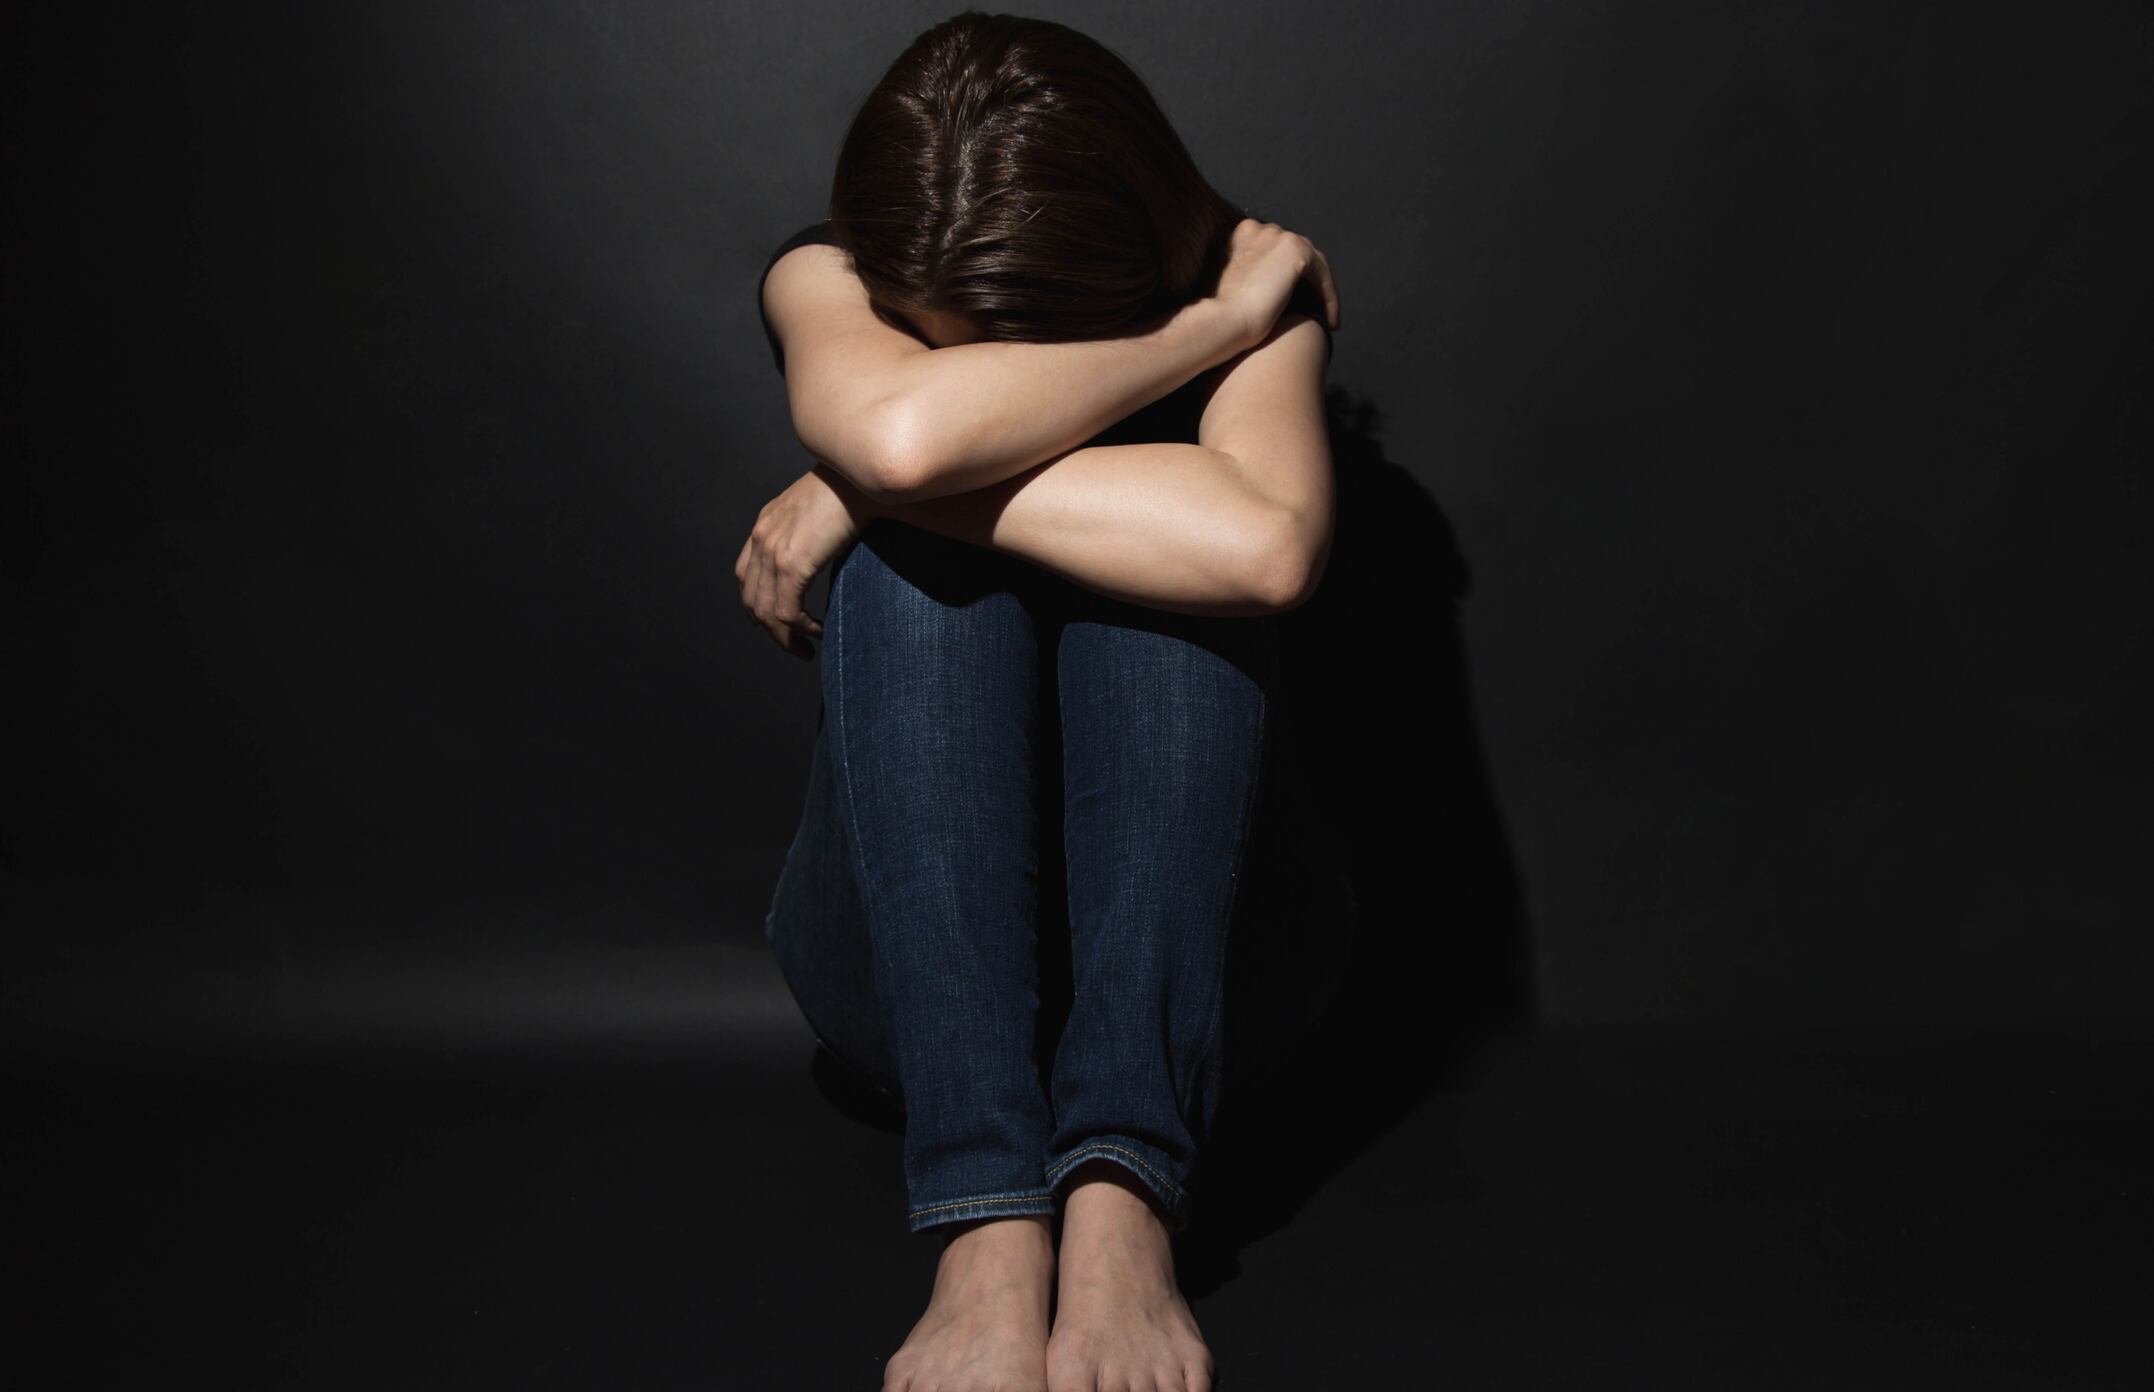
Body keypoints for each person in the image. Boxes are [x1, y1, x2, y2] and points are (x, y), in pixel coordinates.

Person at [739, 11, 1342, 1390]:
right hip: (900, 988)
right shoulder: (825, 276)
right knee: (913, 565)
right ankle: (985, 1215)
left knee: (1156, 574)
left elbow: (1263, 548)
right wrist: (1203, 342)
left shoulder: (1252, 283)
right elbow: (899, 435)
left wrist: (874, 484)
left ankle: (1124, 1194)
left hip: (1217, 989)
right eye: (941, 352)